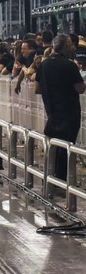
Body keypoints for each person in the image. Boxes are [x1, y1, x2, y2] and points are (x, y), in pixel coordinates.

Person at [35, 34, 86, 186]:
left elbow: (37, 88)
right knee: (66, 148)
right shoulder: (70, 65)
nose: (74, 47)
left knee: (53, 147)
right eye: (71, 44)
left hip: (51, 111)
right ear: (64, 46)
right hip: (69, 112)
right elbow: (80, 88)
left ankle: (49, 178)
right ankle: (63, 182)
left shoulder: (43, 64)